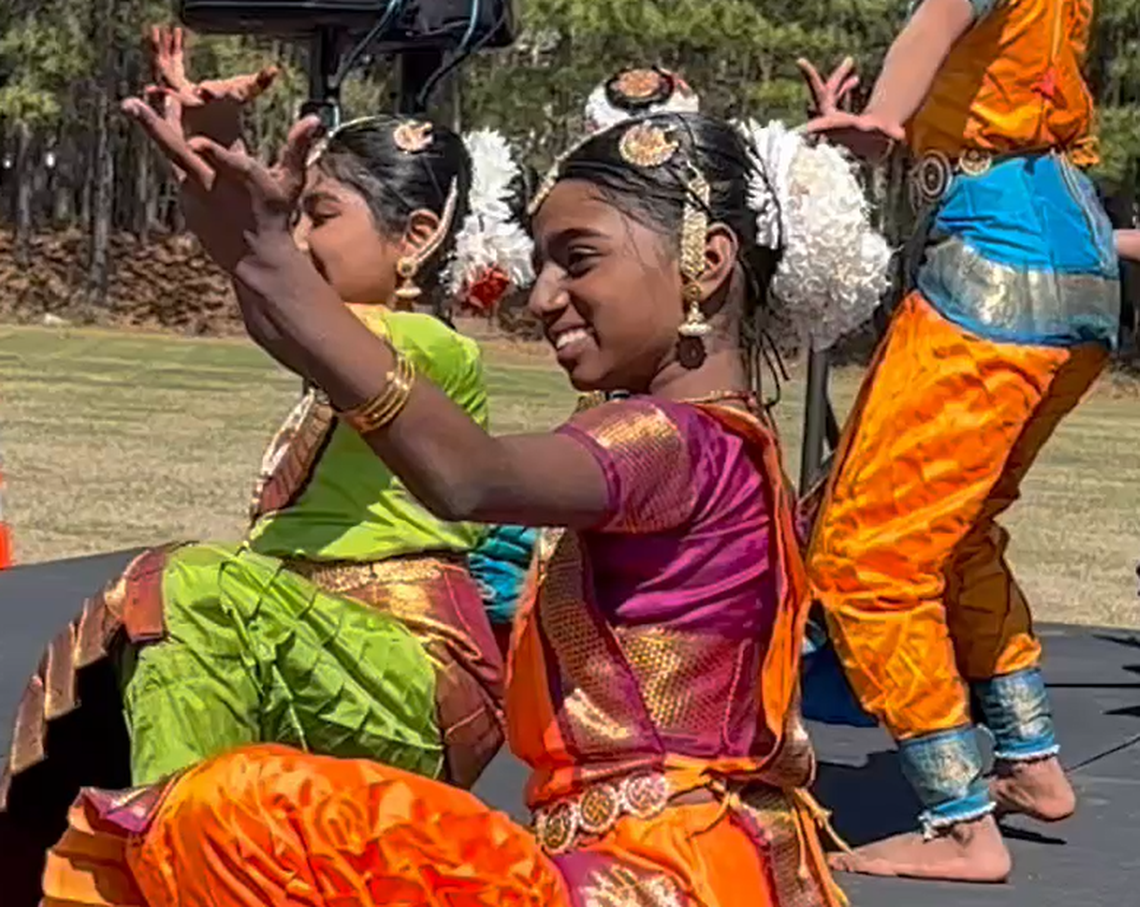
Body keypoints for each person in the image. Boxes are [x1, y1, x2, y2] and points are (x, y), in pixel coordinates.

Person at [41, 78, 891, 902]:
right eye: (542, 265)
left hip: (655, 878)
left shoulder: (675, 439)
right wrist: (254, 260)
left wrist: (267, 259)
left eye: (578, 260)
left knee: (232, 811)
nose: (544, 296)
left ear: (706, 262)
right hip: (646, 865)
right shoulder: (718, 438)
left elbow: (469, 474)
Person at [0, 27, 532, 904]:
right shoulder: (342, 339)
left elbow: (287, 320)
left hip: (411, 667)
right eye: (295, 217)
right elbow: (283, 312)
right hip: (318, 642)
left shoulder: (428, 348)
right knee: (167, 613)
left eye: (320, 215)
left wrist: (238, 196)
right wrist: (220, 178)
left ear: (418, 236)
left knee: (191, 587)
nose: (300, 235)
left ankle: (176, 866)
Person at [798, 0, 1120, 881]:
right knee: (961, 529)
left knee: (870, 556)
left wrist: (885, 114)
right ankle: (1030, 760)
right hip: (1077, 277)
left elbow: (935, 21)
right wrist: (893, 125)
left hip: (995, 277)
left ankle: (958, 823)